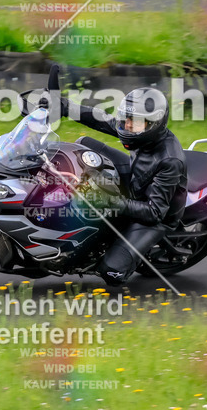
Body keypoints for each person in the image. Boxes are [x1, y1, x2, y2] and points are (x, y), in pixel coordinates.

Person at [60, 88, 188, 287]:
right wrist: (63, 106)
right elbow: (101, 119)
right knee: (82, 145)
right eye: (125, 118)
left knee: (111, 272)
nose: (126, 125)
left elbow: (155, 212)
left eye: (133, 121)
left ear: (153, 124)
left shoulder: (170, 160)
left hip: (155, 216)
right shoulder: (138, 131)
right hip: (136, 179)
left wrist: (110, 201)